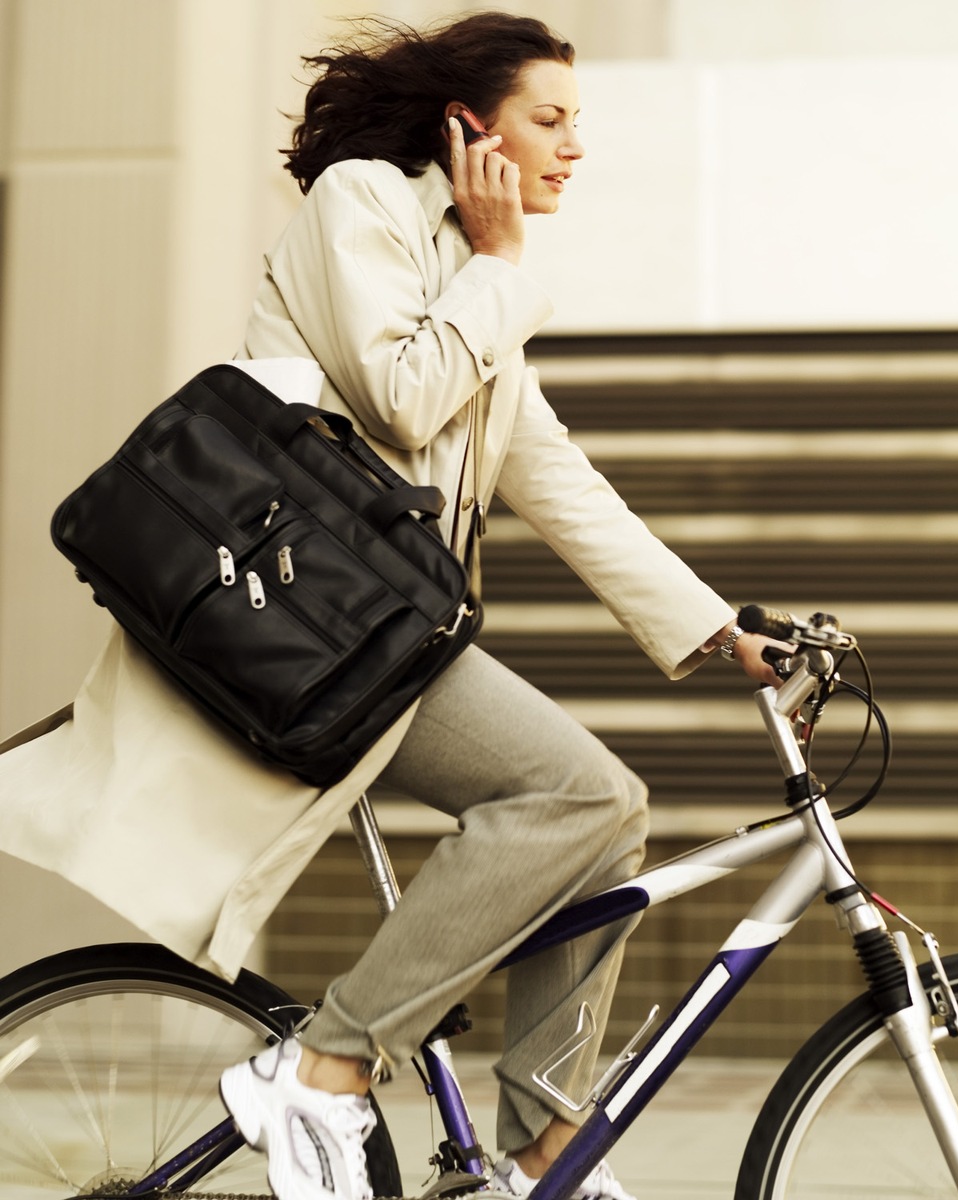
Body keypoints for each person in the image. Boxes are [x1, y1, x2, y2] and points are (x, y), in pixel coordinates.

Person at [27, 11, 785, 1200]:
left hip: (382, 631)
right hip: (314, 630)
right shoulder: (364, 207)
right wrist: (496, 261)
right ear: (468, 129)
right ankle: (326, 1064)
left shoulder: (472, 277)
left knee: (607, 831)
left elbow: (554, 478)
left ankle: (540, 1147)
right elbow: (403, 396)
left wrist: (714, 629)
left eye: (578, 124)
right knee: (584, 792)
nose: (573, 148)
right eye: (549, 120)